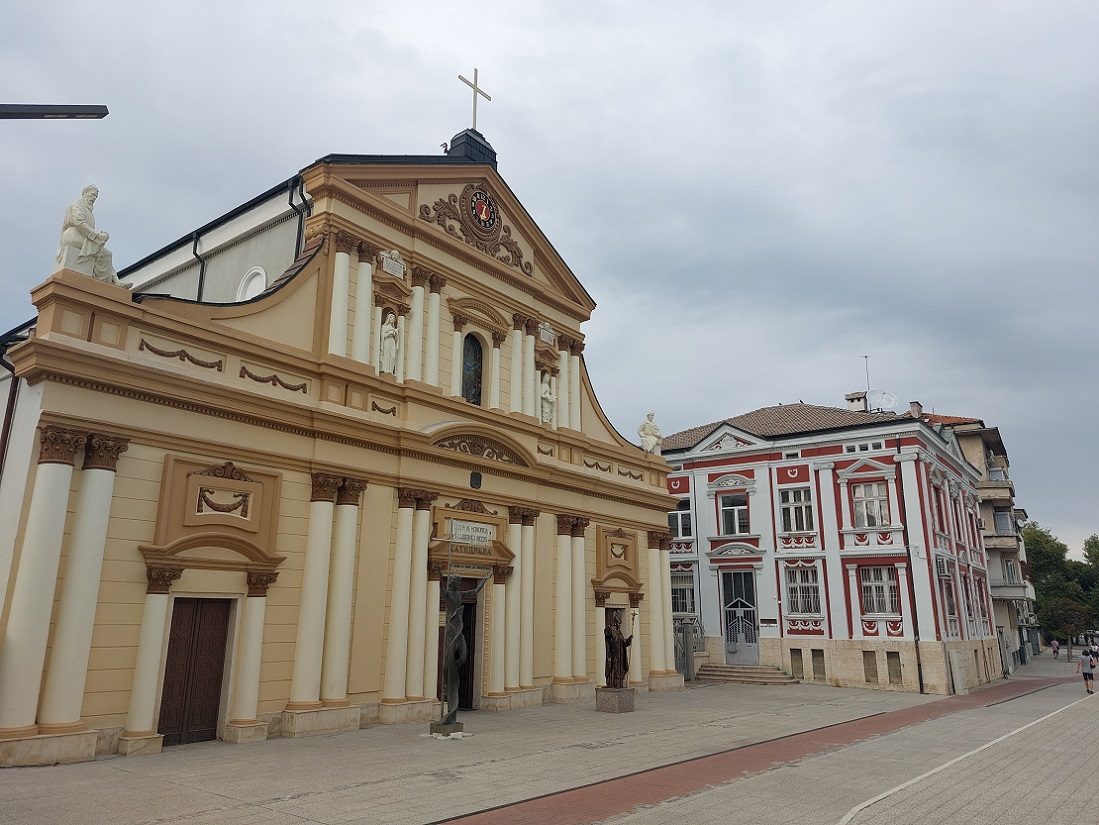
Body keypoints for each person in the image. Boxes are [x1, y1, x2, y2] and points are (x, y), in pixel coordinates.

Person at [56, 184, 130, 288]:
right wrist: (98, 236)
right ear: (85, 194)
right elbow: (79, 223)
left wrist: (99, 236)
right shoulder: (77, 205)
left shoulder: (88, 210)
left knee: (105, 252)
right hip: (72, 235)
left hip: (81, 235)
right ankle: (110, 281)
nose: (94, 198)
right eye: (92, 195)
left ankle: (114, 279)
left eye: (96, 196)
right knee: (105, 253)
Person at [604, 611, 633, 688]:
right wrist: (608, 630)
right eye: (617, 623)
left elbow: (624, 643)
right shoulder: (612, 630)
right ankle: (612, 682)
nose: (619, 625)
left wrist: (629, 640)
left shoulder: (620, 633)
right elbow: (607, 634)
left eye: (620, 623)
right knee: (613, 668)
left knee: (620, 668)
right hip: (613, 654)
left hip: (620, 654)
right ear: (615, 622)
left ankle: (619, 682)